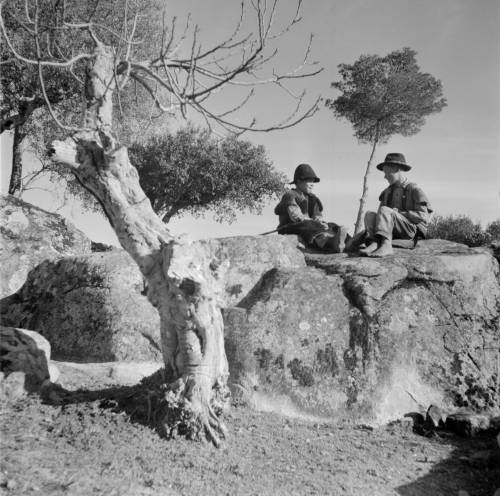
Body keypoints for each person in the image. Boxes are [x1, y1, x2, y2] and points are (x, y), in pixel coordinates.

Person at [359, 153, 432, 257]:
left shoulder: (414, 190)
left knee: (385, 210)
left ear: (396, 169)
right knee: (369, 214)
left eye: (387, 172)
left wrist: (401, 213)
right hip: (390, 231)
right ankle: (374, 242)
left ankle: (386, 246)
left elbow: (423, 217)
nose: (385, 176)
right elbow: (381, 218)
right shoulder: (387, 192)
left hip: (409, 230)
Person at [274, 163, 349, 252]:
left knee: (332, 225)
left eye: (313, 181)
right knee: (309, 225)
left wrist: (320, 221)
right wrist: (315, 223)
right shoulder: (290, 195)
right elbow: (296, 217)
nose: (312, 184)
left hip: (310, 226)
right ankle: (330, 243)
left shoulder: (313, 198)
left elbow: (317, 215)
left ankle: (349, 242)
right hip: (290, 227)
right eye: (309, 181)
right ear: (298, 181)